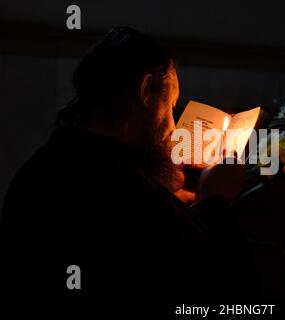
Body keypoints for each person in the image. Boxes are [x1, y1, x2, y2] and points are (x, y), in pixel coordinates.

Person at [0, 27, 253, 296]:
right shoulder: (127, 190)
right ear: (145, 91)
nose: (172, 127)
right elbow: (210, 278)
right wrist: (216, 201)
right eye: (171, 107)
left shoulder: (42, 167)